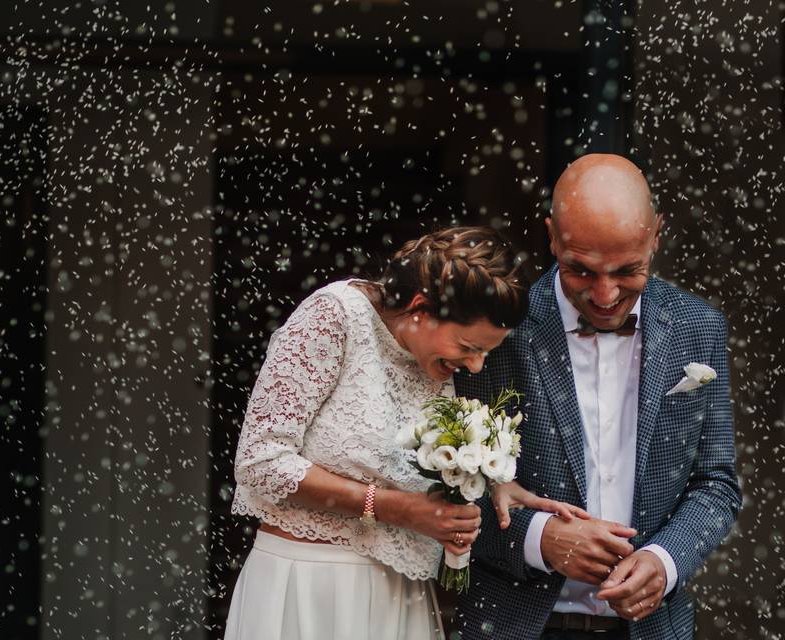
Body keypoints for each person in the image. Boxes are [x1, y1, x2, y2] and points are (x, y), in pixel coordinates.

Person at [223, 226, 589, 640]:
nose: (475, 366)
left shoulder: (433, 358)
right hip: (311, 584)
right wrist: (398, 509)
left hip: (402, 596)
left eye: (485, 352)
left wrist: (492, 481)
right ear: (419, 308)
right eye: (469, 347)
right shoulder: (334, 316)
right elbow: (262, 461)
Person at [454, 154, 742, 639]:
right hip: (513, 624)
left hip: (652, 628)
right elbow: (447, 486)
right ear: (552, 236)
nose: (605, 295)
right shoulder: (501, 329)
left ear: (656, 235)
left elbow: (716, 484)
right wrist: (538, 539)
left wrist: (665, 560)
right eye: (581, 270)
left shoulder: (699, 328)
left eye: (627, 270)